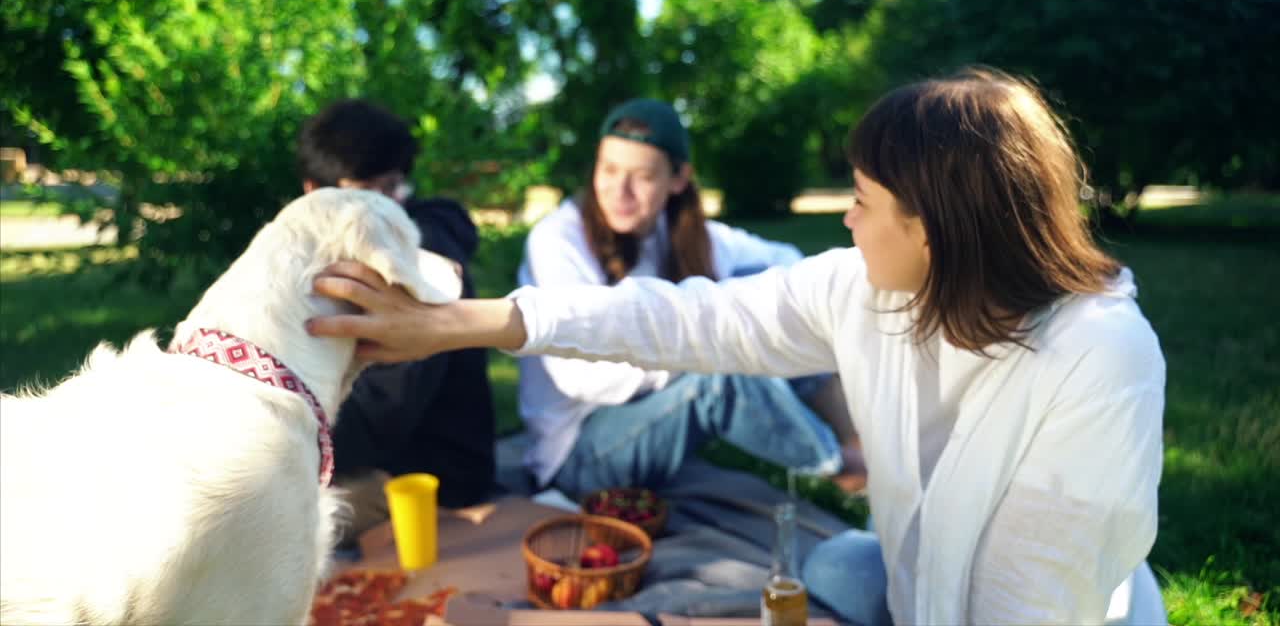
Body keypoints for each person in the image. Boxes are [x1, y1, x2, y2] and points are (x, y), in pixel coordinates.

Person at [306, 68, 1166, 624]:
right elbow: (690, 320)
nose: (846, 215)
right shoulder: (867, 287)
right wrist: (461, 322)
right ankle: (839, 475)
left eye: (862, 198)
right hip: (914, 589)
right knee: (834, 565)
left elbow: (1030, 606)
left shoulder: (1101, 358)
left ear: (936, 229)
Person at [514, 97, 842, 497]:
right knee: (718, 376)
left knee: (778, 305)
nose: (621, 191)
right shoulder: (558, 240)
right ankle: (842, 471)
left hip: (655, 415)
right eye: (609, 169)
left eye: (643, 176)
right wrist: (698, 347)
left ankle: (867, 438)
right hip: (577, 452)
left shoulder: (681, 232)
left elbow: (787, 265)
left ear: (678, 178)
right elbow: (581, 377)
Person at [296, 98, 495, 539]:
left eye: (392, 189)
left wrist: (282, 445)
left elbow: (382, 416)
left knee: (255, 521)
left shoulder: (416, 259)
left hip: (428, 480)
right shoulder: (325, 254)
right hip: (366, 456)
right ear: (314, 193)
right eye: (368, 194)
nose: (386, 209)